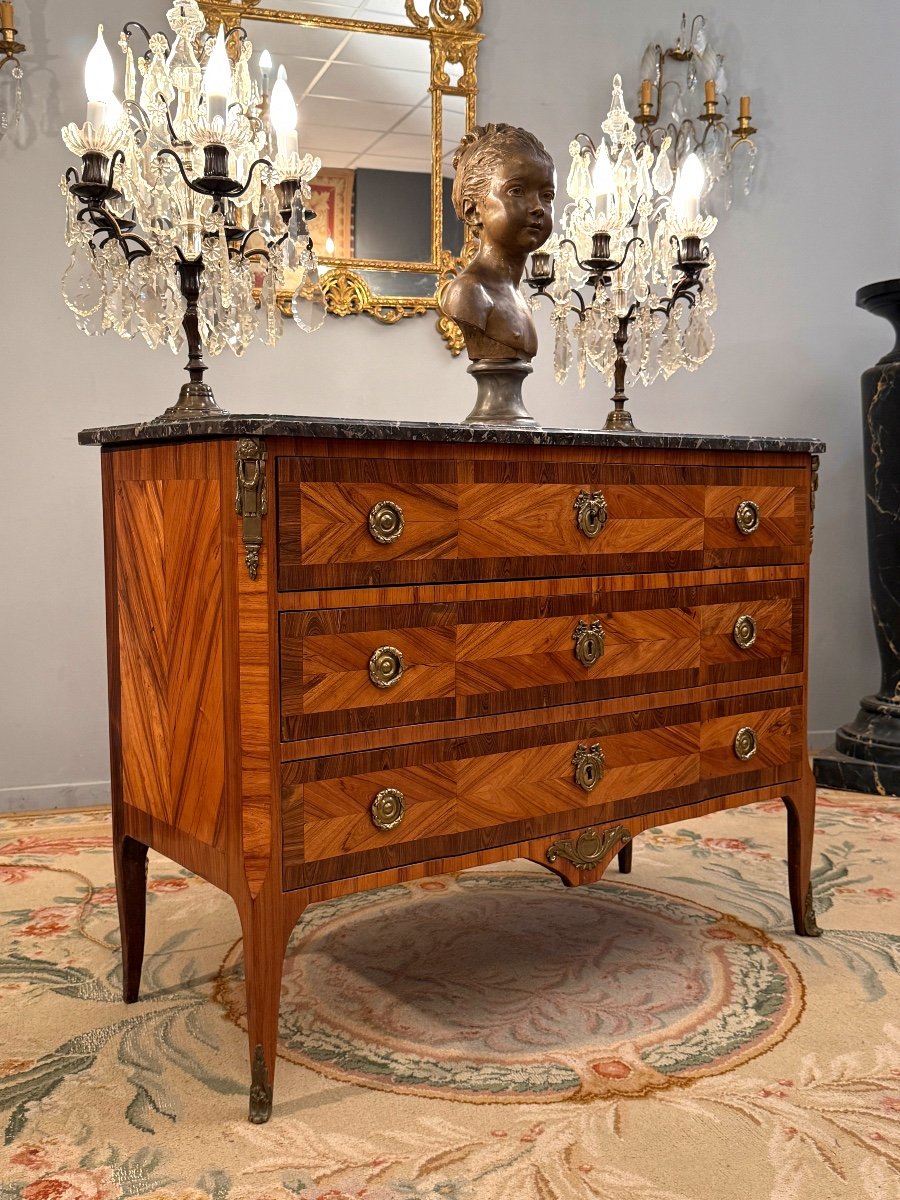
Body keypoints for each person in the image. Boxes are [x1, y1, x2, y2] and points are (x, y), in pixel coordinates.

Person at [441, 124, 555, 363]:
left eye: (547, 195)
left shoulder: (516, 295)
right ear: (473, 210)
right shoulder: (470, 292)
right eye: (517, 190)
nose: (538, 208)